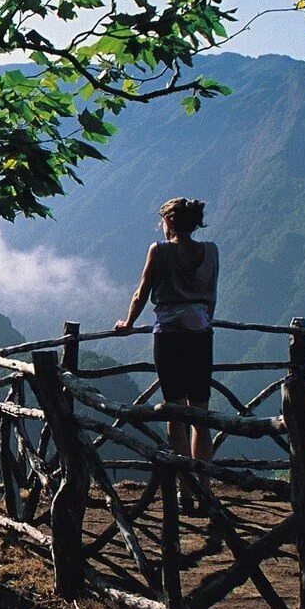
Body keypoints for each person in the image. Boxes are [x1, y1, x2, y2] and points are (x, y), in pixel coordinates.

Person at [115, 197, 218, 471]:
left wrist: (128, 323)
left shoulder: (159, 250)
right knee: (201, 415)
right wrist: (204, 319)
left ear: (169, 221)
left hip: (170, 335)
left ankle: (186, 486)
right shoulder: (211, 251)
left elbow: (142, 293)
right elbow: (211, 296)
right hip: (201, 332)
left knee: (175, 412)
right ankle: (205, 485)